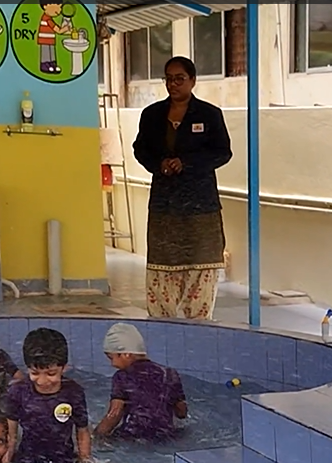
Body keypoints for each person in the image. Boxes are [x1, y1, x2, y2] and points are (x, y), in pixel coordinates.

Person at [132, 55, 232, 320]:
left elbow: (223, 152)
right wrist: (159, 164)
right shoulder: (152, 115)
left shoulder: (210, 115)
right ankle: (163, 327)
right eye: (169, 78)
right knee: (162, 271)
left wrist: (186, 163)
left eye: (179, 79)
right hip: (165, 207)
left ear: (193, 81)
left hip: (201, 207)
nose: (173, 84)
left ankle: (198, 329)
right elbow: (140, 149)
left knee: (202, 270)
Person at [5, 328, 90, 463]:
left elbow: (82, 431)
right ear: (27, 368)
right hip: (28, 460)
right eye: (35, 373)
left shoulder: (74, 392)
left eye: (51, 373)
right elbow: (11, 433)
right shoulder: (18, 392)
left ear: (64, 368)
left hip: (63, 459)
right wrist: (5, 460)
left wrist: (85, 462)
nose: (42, 381)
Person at [95, 323, 186, 441]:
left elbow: (114, 415)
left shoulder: (122, 376)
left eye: (111, 358)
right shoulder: (169, 373)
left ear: (126, 354)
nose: (112, 364)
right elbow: (182, 412)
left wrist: (95, 436)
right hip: (165, 436)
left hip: (133, 437)